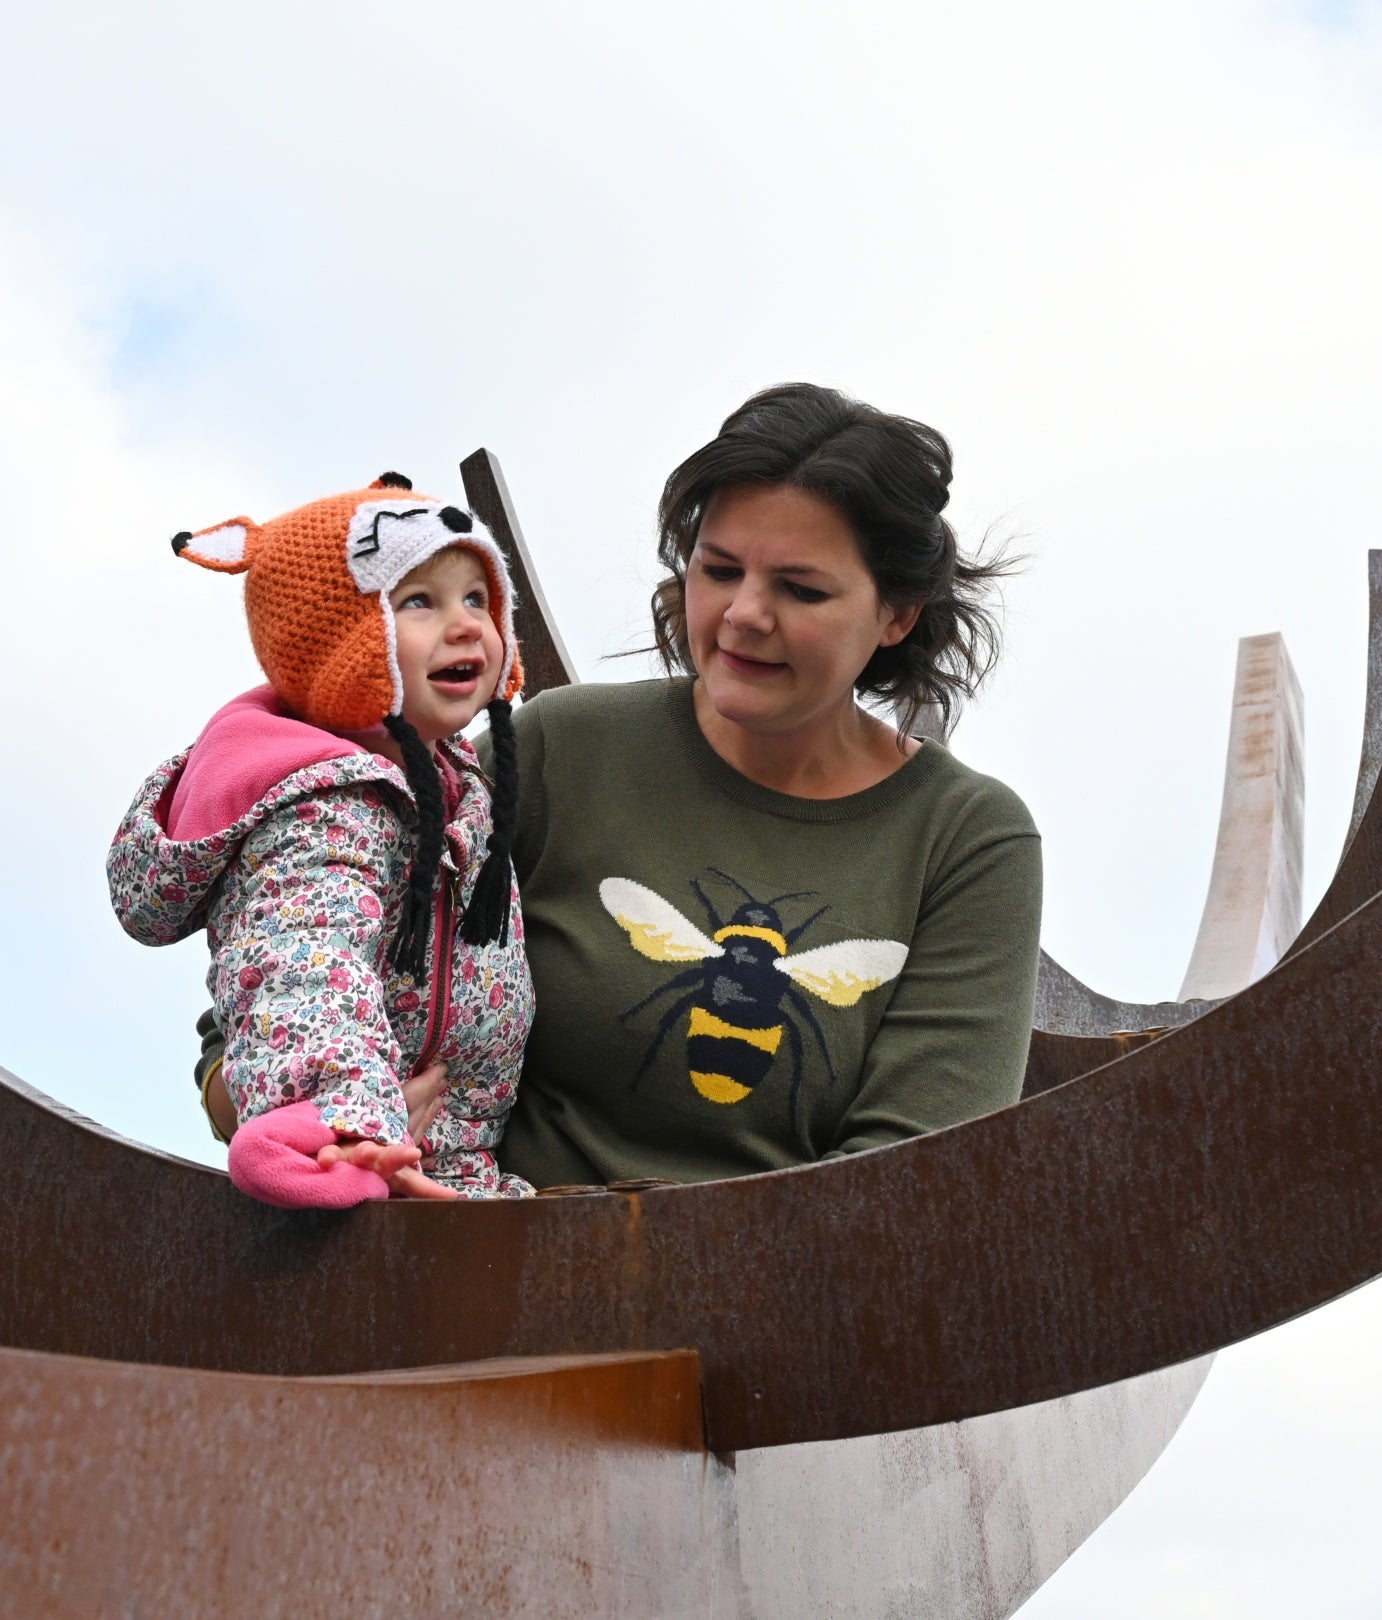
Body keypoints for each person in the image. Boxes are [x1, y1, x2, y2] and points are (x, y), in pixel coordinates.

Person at [191, 386, 1041, 1186]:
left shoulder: (967, 838)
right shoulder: (562, 747)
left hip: (778, 1305)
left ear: (898, 614)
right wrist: (306, 1115)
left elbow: (915, 1174)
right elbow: (283, 966)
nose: (744, 613)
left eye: (801, 588)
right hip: (472, 1261)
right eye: (719, 570)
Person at [113, 474, 535, 1208]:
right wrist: (338, 1123)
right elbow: (303, 963)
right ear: (341, 642)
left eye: (476, 597)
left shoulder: (457, 785)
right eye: (419, 602)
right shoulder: (324, 805)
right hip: (367, 1164)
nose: (467, 625)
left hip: (453, 1165)